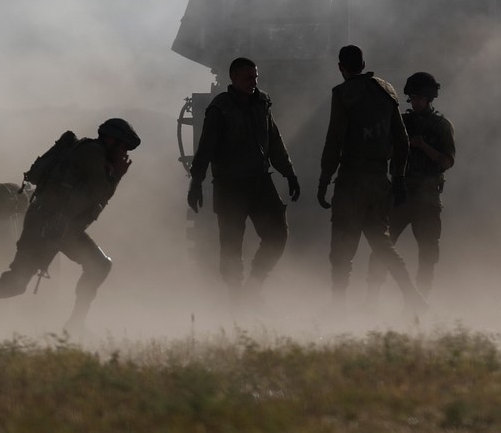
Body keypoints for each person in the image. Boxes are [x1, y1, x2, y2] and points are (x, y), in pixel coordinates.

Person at [0, 118, 141, 336]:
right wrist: (117, 176)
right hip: (45, 227)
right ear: (110, 140)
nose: (124, 153)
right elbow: (100, 193)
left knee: (99, 265)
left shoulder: (96, 155)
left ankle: (75, 324)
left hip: (61, 229)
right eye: (122, 147)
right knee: (16, 283)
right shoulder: (92, 153)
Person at [317, 45, 427, 314]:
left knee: (342, 246)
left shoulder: (342, 93)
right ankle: (412, 296)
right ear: (364, 64)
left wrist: (324, 180)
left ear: (341, 66)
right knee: (382, 243)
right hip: (379, 180)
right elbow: (402, 141)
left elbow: (334, 140)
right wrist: (398, 178)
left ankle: (338, 304)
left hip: (351, 180)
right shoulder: (386, 90)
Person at [187, 57, 300, 306]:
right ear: (234, 78)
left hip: (260, 182)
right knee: (231, 248)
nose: (254, 82)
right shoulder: (220, 109)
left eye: (255, 77)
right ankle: (236, 300)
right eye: (248, 78)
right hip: (230, 187)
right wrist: (196, 182)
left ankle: (254, 286)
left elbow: (274, 141)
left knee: (277, 235)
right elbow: (205, 148)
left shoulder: (262, 103)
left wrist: (289, 173)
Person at [365, 72, 455, 303]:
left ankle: (420, 299)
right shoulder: (401, 123)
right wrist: (400, 144)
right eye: (412, 98)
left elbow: (447, 162)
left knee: (428, 252)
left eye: (419, 98)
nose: (415, 102)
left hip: (427, 198)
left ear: (429, 99)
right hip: (400, 194)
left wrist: (422, 146)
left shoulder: (441, 126)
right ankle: (372, 297)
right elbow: (383, 153)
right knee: (383, 246)